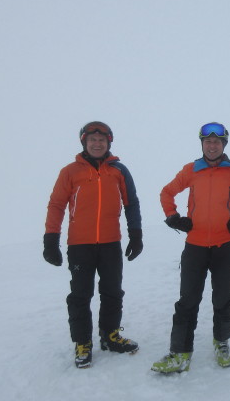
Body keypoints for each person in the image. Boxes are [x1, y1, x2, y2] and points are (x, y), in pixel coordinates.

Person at [151, 122, 230, 374]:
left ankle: (222, 341)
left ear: (224, 144)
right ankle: (180, 352)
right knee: (187, 300)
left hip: (226, 246)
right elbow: (166, 192)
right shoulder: (191, 170)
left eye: (217, 142)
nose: (212, 145)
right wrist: (173, 216)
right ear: (202, 144)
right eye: (208, 142)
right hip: (194, 246)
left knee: (223, 298)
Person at [43, 121, 143, 369]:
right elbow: (57, 205)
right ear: (84, 143)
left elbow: (131, 203)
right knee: (80, 295)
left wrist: (136, 234)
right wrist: (50, 240)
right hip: (80, 245)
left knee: (112, 292)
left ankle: (110, 337)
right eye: (92, 140)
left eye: (102, 140)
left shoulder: (118, 170)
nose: (97, 144)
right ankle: (82, 343)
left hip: (111, 243)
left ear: (109, 143)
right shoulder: (70, 171)